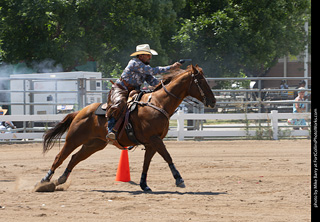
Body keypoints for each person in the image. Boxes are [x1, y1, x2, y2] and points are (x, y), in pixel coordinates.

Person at [105, 44, 182, 140]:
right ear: (140, 56)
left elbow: (153, 81)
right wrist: (171, 68)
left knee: (145, 105)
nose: (150, 57)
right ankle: (111, 130)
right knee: (118, 104)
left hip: (134, 90)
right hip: (121, 88)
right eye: (147, 55)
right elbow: (153, 71)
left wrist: (168, 86)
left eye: (150, 55)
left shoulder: (144, 67)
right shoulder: (134, 63)